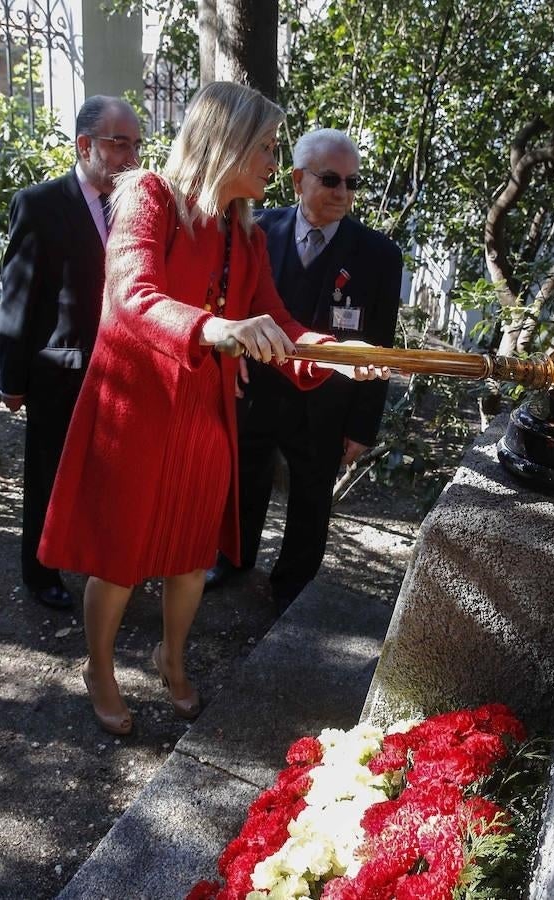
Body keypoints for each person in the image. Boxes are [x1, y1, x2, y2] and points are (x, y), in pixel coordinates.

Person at [37, 82, 389, 736]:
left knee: (190, 551)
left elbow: (280, 325)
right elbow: (132, 297)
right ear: (224, 142)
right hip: (137, 412)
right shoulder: (147, 197)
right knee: (120, 556)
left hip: (206, 413)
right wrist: (213, 328)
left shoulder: (244, 235)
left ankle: (172, 660)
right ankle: (101, 669)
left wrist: (338, 354)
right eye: (264, 147)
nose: (270, 162)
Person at [204, 128, 402, 610]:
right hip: (256, 390)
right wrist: (227, 355)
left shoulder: (378, 256)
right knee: (243, 480)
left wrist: (362, 426)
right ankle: (233, 559)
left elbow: (379, 344)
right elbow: (227, 303)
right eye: (331, 179)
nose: (343, 193)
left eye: (353, 183)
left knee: (312, 499)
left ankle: (292, 587)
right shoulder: (256, 231)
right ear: (297, 180)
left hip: (327, 402)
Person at [0, 95, 141, 610]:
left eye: (136, 144)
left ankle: (89, 559)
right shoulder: (39, 204)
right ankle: (40, 573)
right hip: (59, 370)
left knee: (102, 478)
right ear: (85, 145)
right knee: (48, 476)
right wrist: (11, 378)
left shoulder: (132, 206)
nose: (131, 155)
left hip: (119, 373)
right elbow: (18, 295)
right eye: (119, 142)